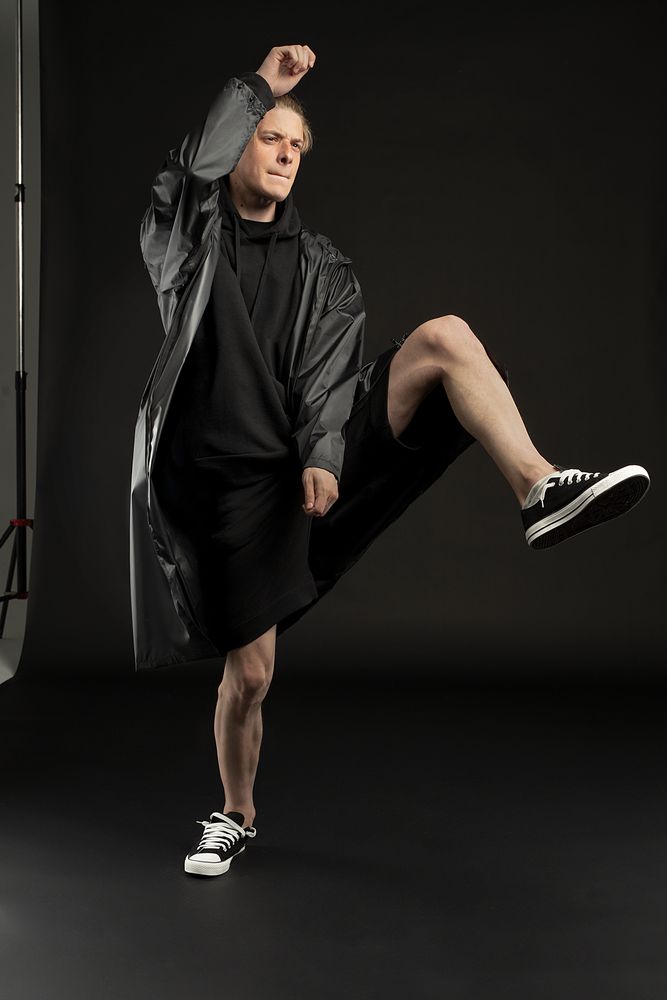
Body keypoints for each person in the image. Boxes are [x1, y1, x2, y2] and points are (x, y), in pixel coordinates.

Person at [129, 44, 650, 878]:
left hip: (311, 457)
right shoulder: (186, 245)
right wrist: (261, 86)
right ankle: (236, 814)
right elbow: (189, 172)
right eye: (268, 138)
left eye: (296, 145)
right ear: (238, 146)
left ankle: (539, 486)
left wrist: (323, 453)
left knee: (443, 337)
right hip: (229, 490)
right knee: (250, 679)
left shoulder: (323, 267)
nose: (285, 154)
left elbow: (328, 376)